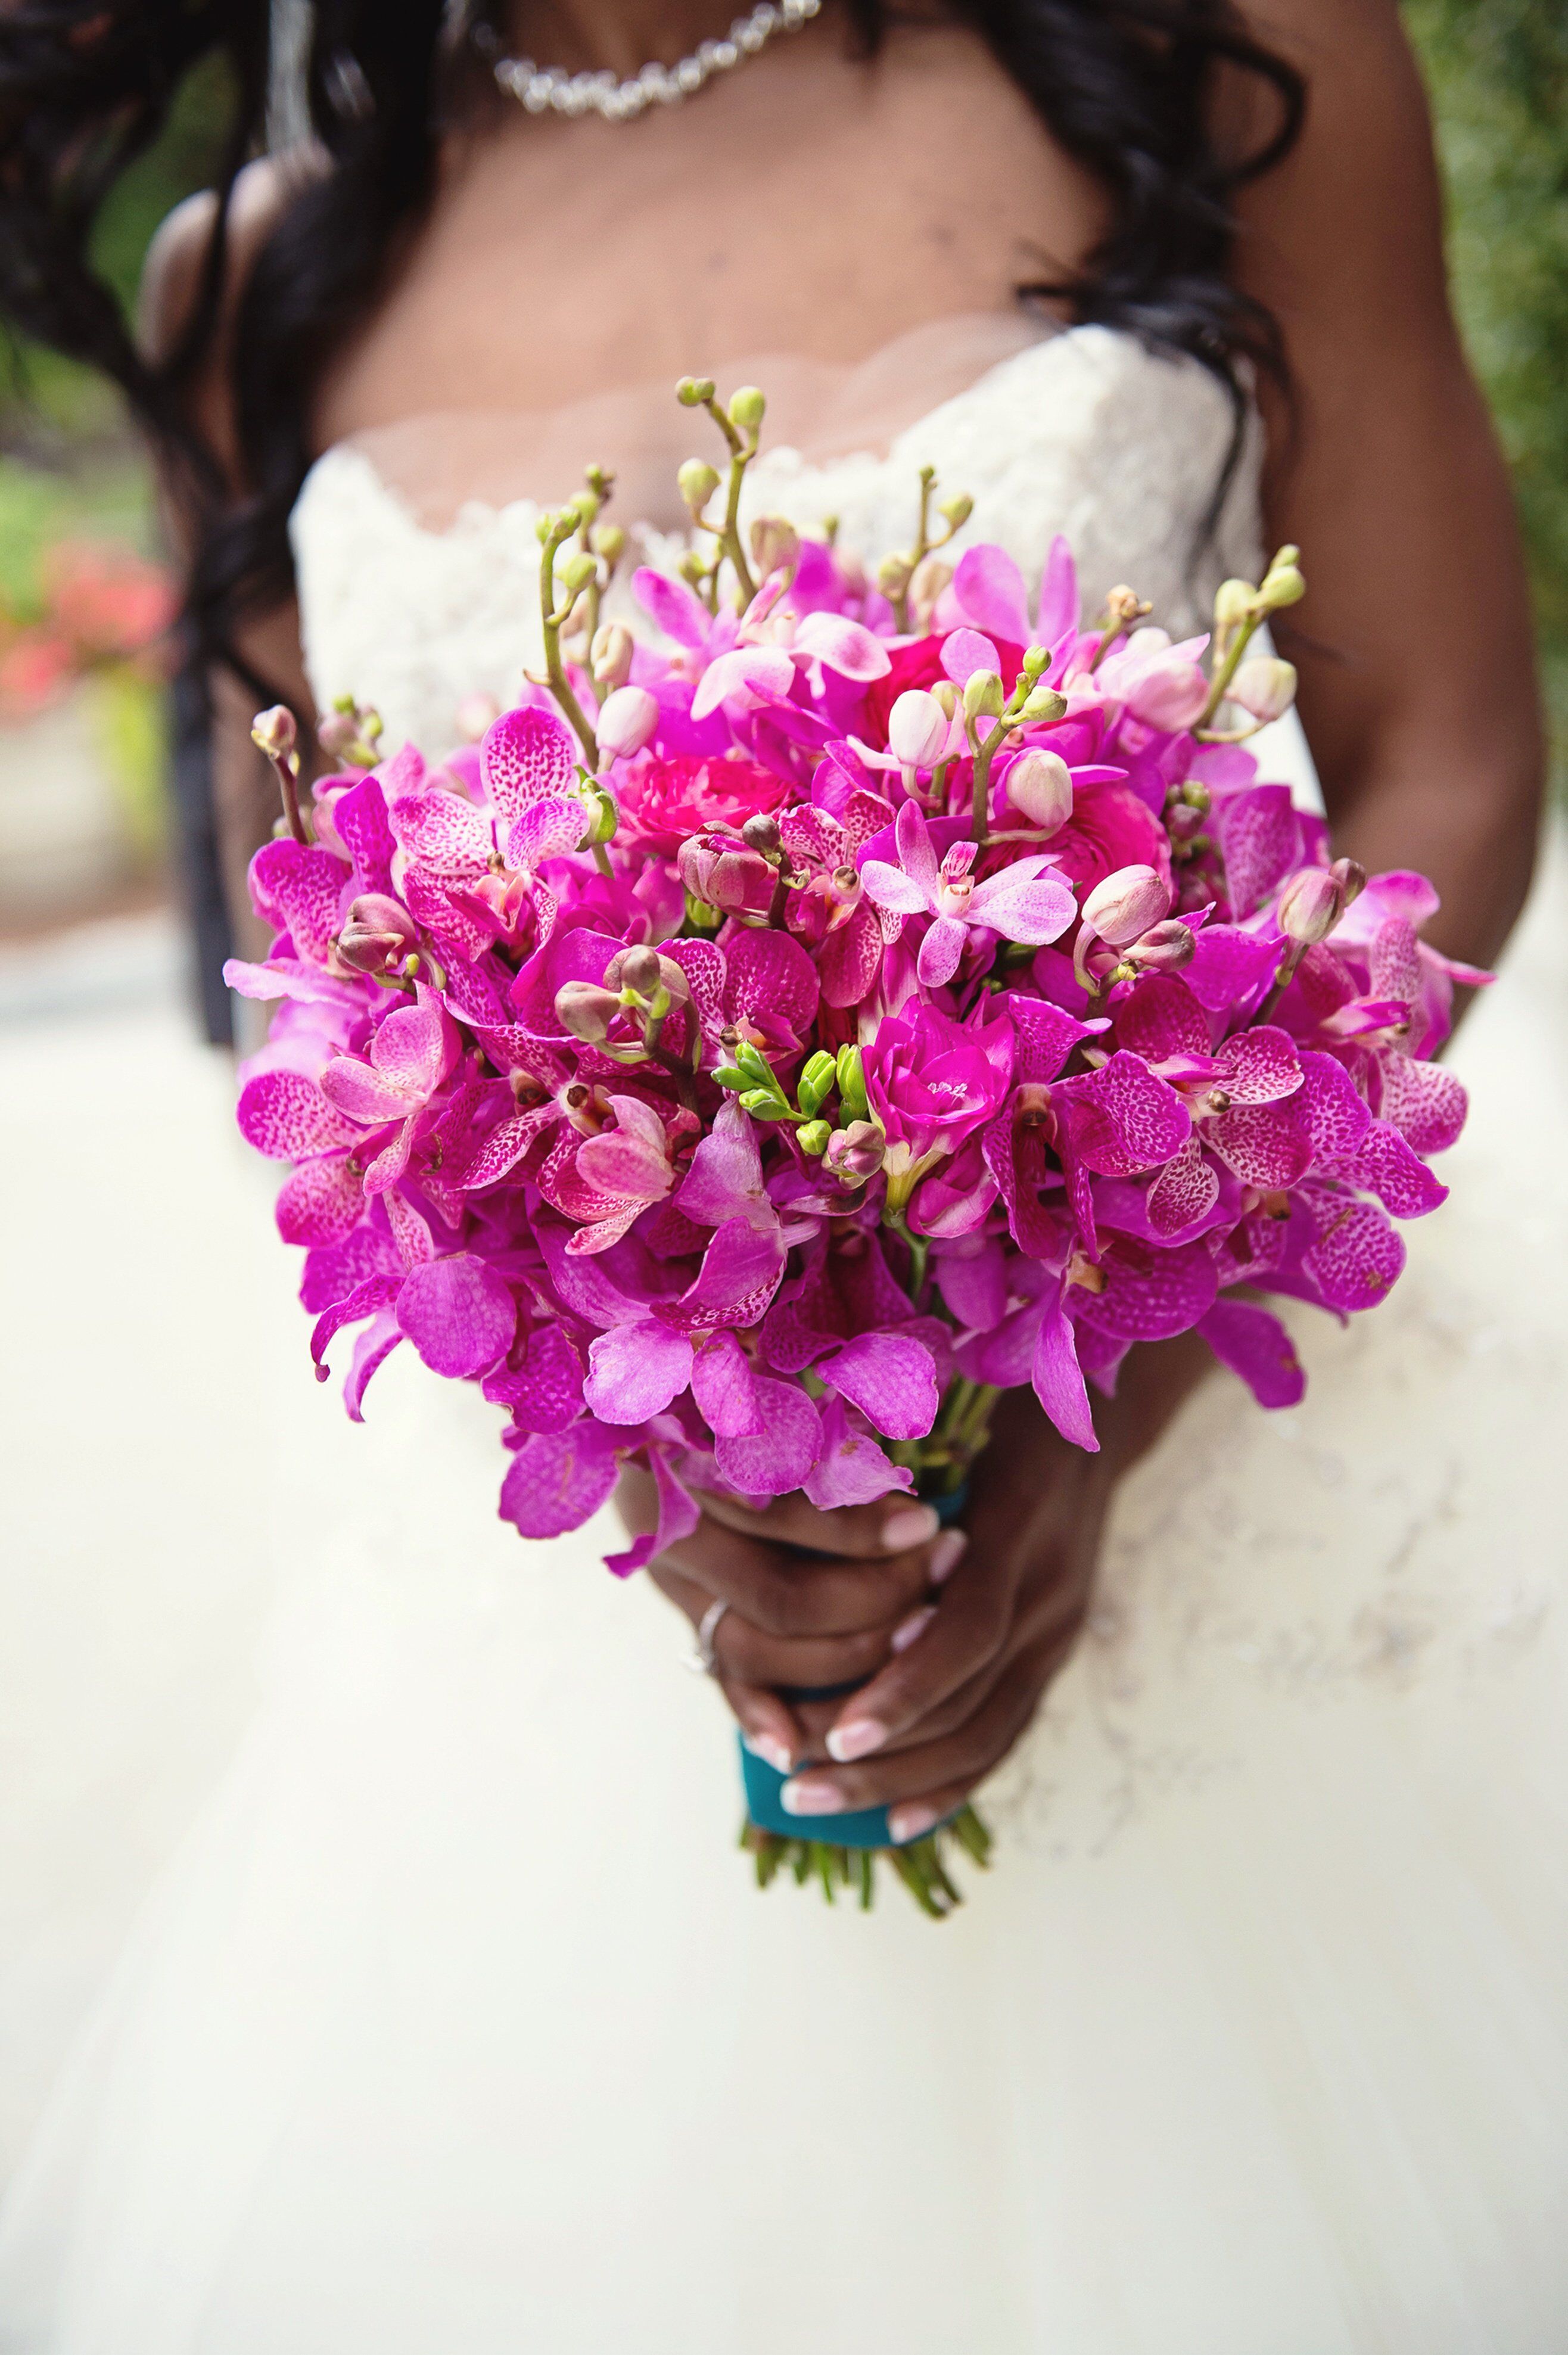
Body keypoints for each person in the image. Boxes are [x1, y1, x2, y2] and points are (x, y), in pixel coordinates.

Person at [0, 2, 1562, 2347]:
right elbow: (324, 1001)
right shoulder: (278, 273)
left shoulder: (1224, 53)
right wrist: (654, 1441)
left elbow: (1435, 746)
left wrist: (1092, 1396)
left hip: (1228, 1493)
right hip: (560, 1674)